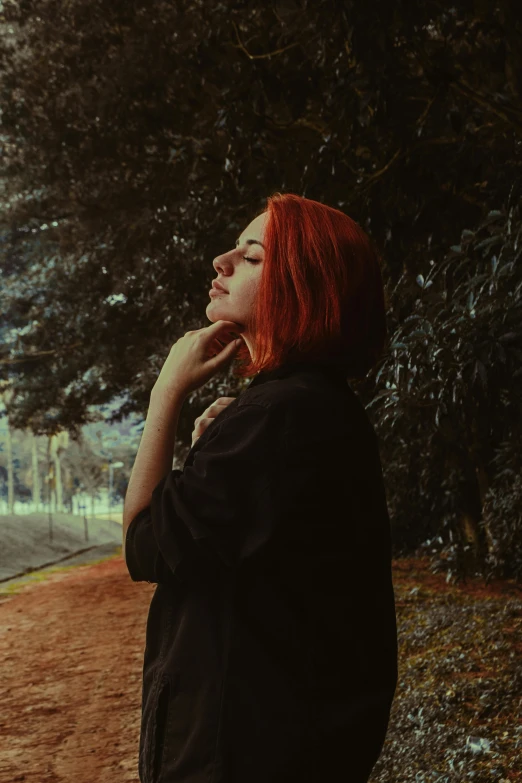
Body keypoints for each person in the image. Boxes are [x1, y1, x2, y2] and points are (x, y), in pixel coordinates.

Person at [123, 192, 398, 783]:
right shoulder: (303, 410)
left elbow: (144, 545)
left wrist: (164, 394)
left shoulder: (281, 416)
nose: (222, 261)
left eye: (251, 257)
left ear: (300, 287)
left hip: (244, 754)